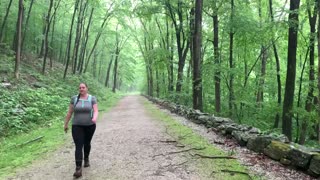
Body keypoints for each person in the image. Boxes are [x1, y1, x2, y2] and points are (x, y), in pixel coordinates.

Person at [64, 83, 98, 178]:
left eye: (83, 87)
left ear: (87, 88)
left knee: (87, 143)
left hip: (90, 126)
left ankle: (86, 158)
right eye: (80, 88)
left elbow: (95, 110)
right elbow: (70, 112)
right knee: (78, 146)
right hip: (77, 126)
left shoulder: (92, 98)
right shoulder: (74, 99)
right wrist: (66, 124)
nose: (81, 89)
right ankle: (78, 169)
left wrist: (94, 118)